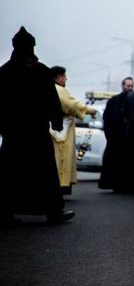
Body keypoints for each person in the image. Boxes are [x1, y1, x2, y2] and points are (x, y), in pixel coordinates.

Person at [0, 27, 73, 225]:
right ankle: (53, 212)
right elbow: (52, 100)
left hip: (13, 133)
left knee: (11, 173)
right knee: (44, 172)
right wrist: (56, 121)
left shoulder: (5, 72)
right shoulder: (40, 71)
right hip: (35, 131)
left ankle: (6, 213)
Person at [50, 65, 98, 195]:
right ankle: (59, 187)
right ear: (59, 77)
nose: (66, 79)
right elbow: (72, 104)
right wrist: (89, 110)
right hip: (60, 131)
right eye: (64, 76)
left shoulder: (51, 88)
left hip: (55, 128)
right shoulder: (59, 90)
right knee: (60, 159)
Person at [99, 77, 134, 193]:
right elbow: (107, 118)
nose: (129, 88)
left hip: (130, 139)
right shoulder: (114, 101)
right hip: (116, 139)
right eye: (127, 86)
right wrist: (110, 135)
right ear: (123, 86)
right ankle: (116, 185)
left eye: (131, 86)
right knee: (115, 164)